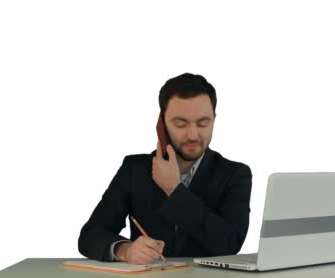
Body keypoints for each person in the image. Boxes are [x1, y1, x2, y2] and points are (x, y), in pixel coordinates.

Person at [78, 73, 252, 264]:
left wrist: (174, 190)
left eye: (203, 123)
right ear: (161, 123)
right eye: (180, 124)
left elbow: (230, 243)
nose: (193, 135)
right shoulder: (134, 169)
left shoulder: (235, 174)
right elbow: (90, 235)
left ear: (214, 119)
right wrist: (124, 250)